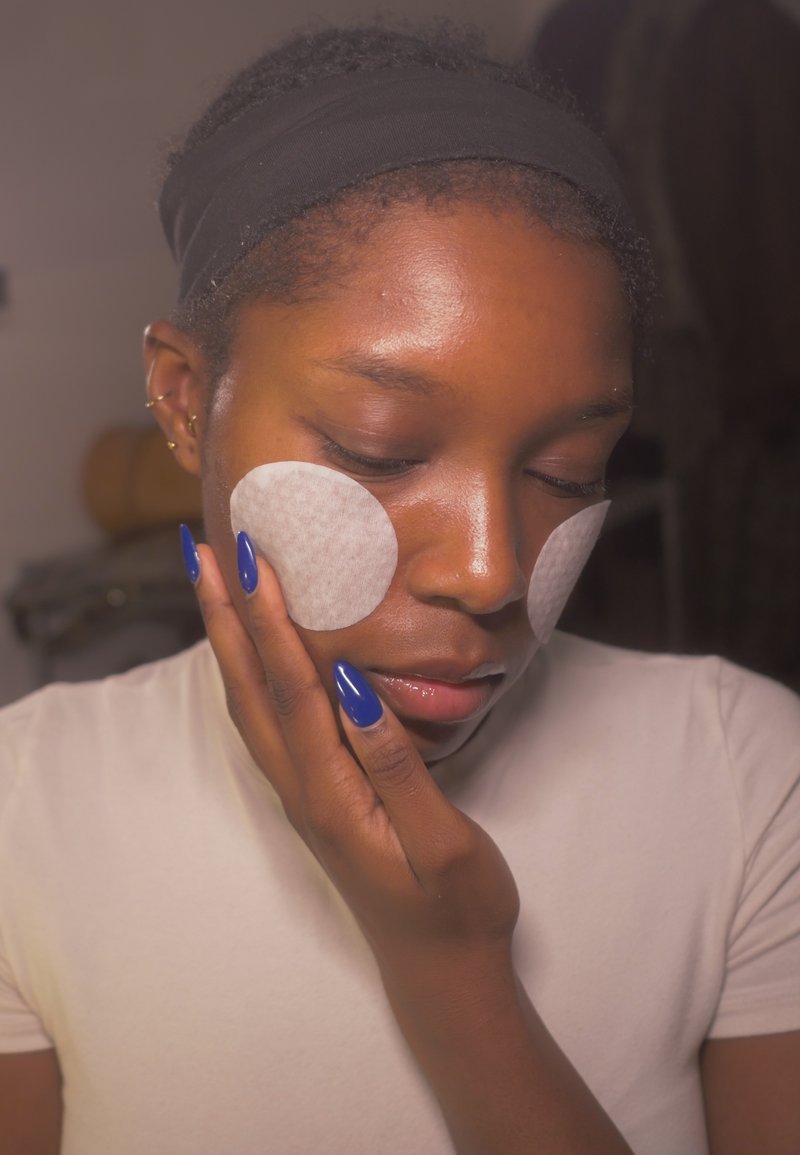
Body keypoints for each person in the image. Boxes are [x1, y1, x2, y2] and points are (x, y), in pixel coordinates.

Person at [1, 24, 798, 1155]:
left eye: (566, 470)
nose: (490, 570)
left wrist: (453, 973)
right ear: (182, 400)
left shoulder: (745, 778)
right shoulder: (23, 808)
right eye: (378, 450)